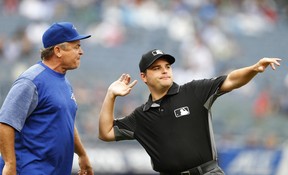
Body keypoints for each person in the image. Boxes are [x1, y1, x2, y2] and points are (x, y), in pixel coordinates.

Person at [98, 49, 281, 175]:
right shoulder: (140, 116)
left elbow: (231, 80)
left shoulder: (193, 91)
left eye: (167, 67)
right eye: (156, 68)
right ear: (143, 77)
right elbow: (105, 133)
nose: (164, 71)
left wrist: (253, 69)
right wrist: (111, 95)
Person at [0, 22, 94, 175]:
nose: (81, 52)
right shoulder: (31, 81)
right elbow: (5, 123)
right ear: (58, 50)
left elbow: (66, 121)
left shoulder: (64, 82)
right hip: (29, 169)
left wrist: (82, 154)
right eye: (76, 46)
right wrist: (10, 165)